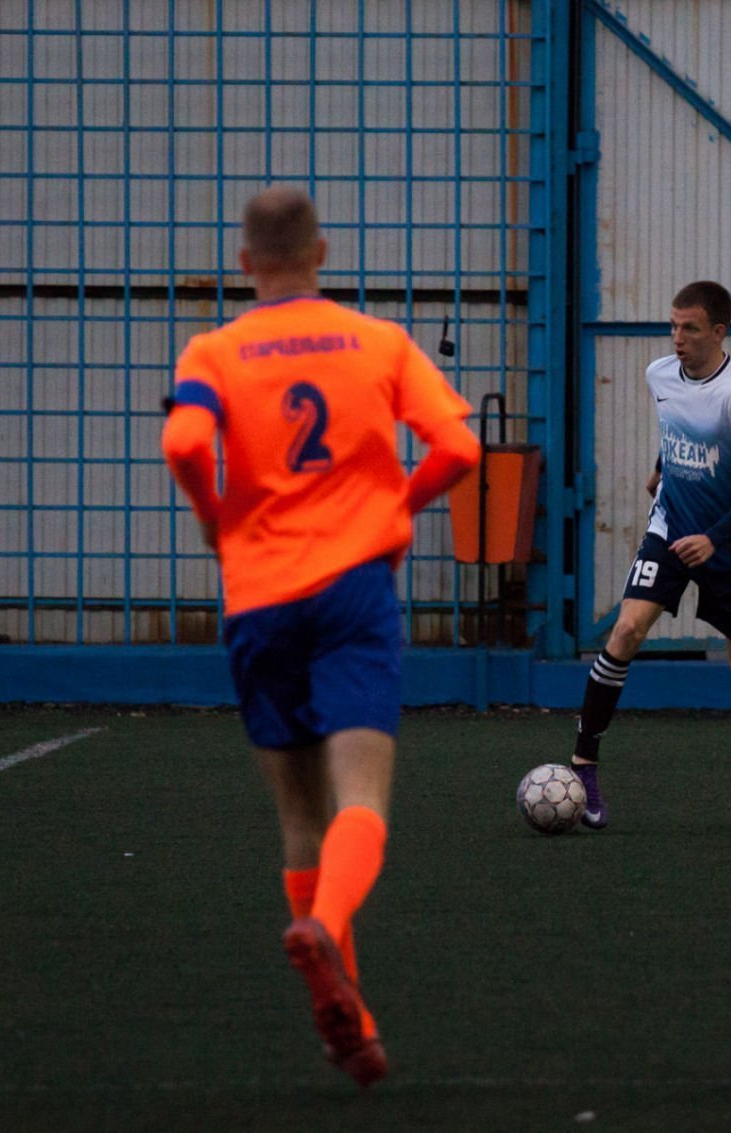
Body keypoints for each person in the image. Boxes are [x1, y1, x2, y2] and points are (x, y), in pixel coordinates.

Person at [160, 186, 480, 1087]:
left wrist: (217, 518)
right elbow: (460, 450)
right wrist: (395, 506)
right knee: (362, 798)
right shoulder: (378, 341)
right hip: (353, 590)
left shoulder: (214, 350)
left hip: (259, 595)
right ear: (322, 253)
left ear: (244, 263)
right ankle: (325, 927)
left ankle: (352, 1020)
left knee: (300, 815)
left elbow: (184, 444)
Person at [571, 280, 731, 832]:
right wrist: (660, 469)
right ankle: (583, 768)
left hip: (729, 547)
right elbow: (675, 428)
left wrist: (713, 537)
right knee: (625, 631)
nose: (677, 337)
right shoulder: (659, 375)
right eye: (673, 325)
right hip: (668, 530)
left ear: (719, 332)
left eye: (690, 328)